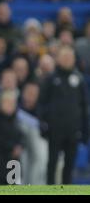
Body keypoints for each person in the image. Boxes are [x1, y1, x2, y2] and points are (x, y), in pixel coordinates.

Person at [39, 45, 89, 184]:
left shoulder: (79, 79)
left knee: (69, 165)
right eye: (64, 57)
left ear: (74, 59)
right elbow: (41, 103)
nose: (67, 60)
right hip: (55, 129)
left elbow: (84, 107)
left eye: (70, 57)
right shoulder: (51, 79)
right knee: (52, 163)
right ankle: (50, 191)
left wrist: (85, 131)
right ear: (58, 59)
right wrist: (42, 124)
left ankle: (66, 191)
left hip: (73, 130)